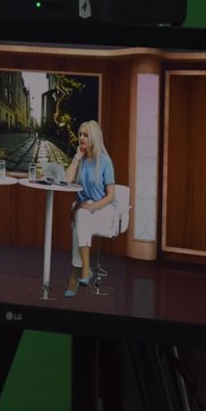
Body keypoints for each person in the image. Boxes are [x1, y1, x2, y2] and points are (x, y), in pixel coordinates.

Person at [63, 120, 117, 298]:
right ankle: (85, 270)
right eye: (80, 134)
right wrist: (76, 158)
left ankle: (76, 274)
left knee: (80, 219)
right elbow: (67, 180)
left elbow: (111, 196)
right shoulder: (82, 160)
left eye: (85, 135)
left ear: (94, 137)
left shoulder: (105, 161)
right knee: (81, 217)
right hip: (84, 210)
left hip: (102, 208)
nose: (81, 138)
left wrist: (93, 206)